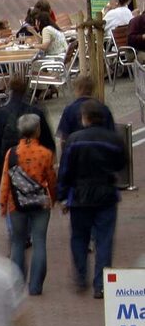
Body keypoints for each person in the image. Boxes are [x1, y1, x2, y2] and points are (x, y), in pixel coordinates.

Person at [58, 99, 127, 299]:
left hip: (80, 196)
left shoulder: (74, 140)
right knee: (104, 239)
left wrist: (62, 195)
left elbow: (65, 170)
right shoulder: (113, 140)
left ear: (85, 118)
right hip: (106, 194)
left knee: (79, 237)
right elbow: (121, 163)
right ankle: (101, 284)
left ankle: (81, 276)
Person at [0, 114, 56, 296]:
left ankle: (17, 284)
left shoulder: (12, 153)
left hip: (16, 204)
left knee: (17, 242)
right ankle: (36, 286)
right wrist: (52, 198)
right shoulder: (46, 154)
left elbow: (5, 180)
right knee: (39, 242)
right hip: (40, 204)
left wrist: (3, 204)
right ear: (38, 130)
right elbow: (51, 179)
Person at [0, 77, 56, 181]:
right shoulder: (36, 111)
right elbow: (47, 138)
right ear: (25, 91)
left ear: (9, 91)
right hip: (33, 159)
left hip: (4, 161)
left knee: (9, 187)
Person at [55, 74, 114, 145]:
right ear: (92, 90)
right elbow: (112, 133)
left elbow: (64, 138)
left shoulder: (69, 110)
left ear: (78, 89)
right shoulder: (104, 108)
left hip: (77, 150)